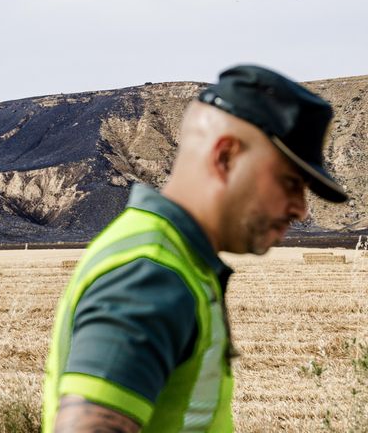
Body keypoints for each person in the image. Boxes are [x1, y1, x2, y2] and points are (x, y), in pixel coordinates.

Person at [42, 65, 348, 432]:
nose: (302, 209)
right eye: (289, 182)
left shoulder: (172, 260)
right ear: (226, 158)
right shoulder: (151, 276)